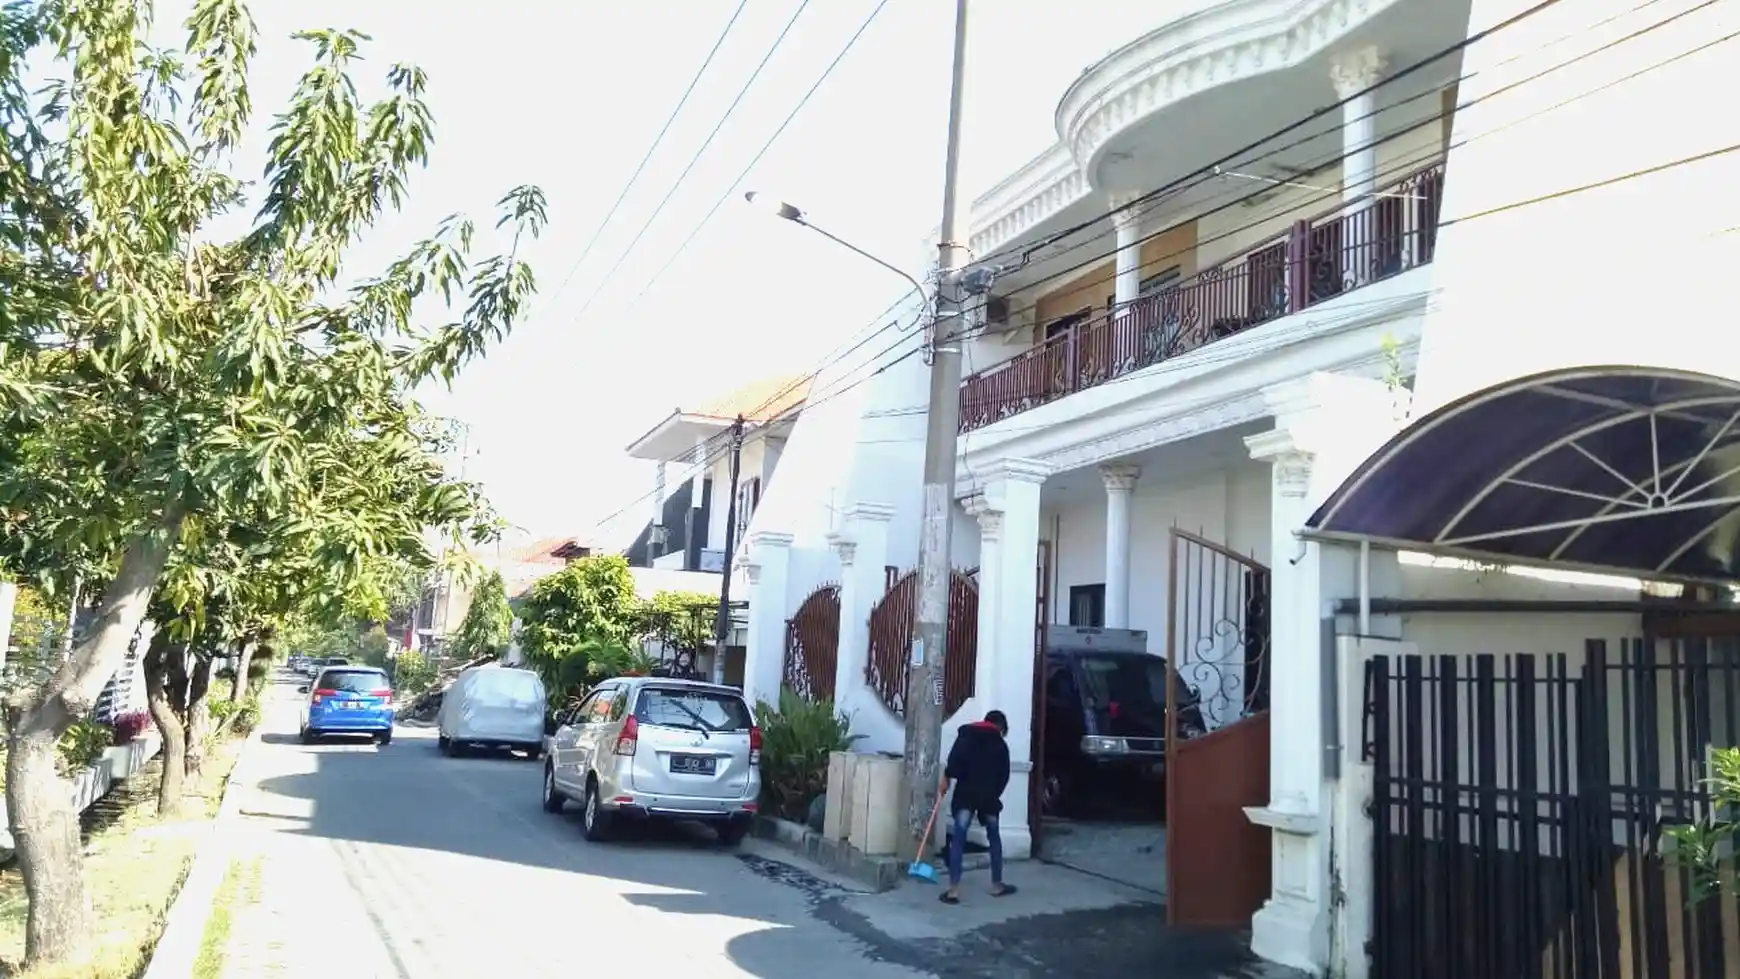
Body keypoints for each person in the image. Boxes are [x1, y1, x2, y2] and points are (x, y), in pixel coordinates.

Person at [938, 709, 1017, 904]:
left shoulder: (966, 736)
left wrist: (947, 777)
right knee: (994, 838)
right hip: (989, 798)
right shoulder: (1000, 745)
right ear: (1000, 727)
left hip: (966, 795)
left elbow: (953, 764)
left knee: (959, 838)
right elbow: (1004, 775)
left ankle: (953, 891)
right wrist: (994, 793)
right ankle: (997, 885)